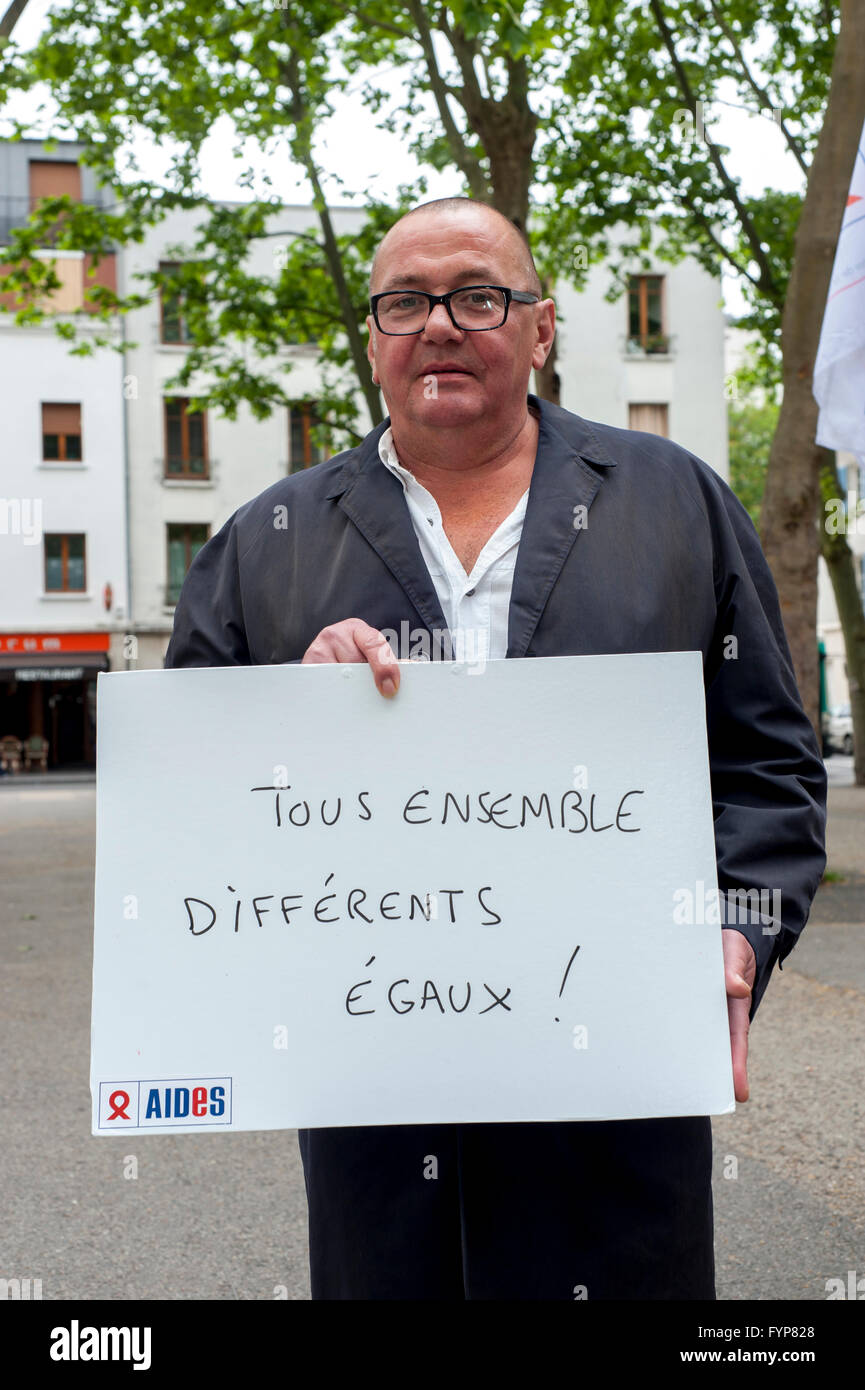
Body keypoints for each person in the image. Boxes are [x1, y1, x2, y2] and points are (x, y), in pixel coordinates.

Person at [165, 196, 827, 1300]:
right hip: (377, 1102)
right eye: (404, 301)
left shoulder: (673, 505)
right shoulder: (264, 542)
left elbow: (765, 765)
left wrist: (739, 931)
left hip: (616, 1098)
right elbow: (187, 803)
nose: (438, 324)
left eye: (477, 295)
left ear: (540, 327)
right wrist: (288, 713)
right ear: (372, 339)